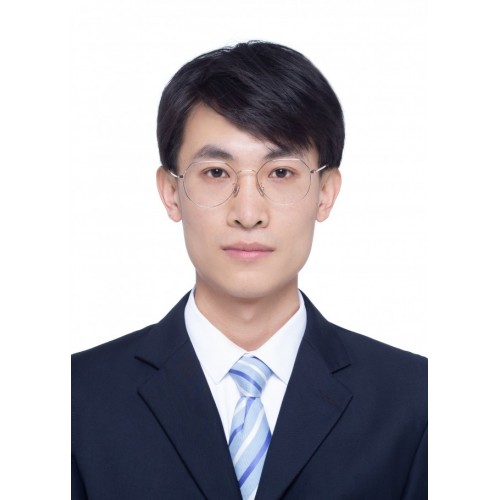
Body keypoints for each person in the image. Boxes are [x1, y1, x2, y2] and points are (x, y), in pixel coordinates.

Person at [72, 41, 427, 499]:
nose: (248, 213)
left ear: (325, 193)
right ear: (171, 193)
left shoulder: (415, 400)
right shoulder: (76, 398)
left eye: (280, 173)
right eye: (216, 173)